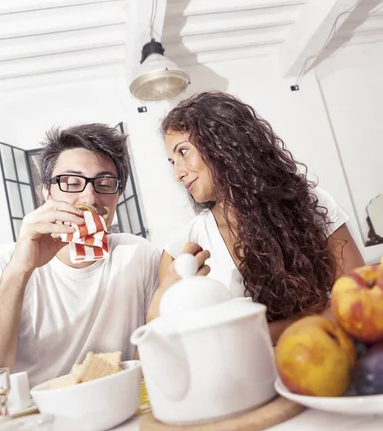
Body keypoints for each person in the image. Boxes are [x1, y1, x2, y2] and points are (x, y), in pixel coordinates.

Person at [148, 91, 364, 343]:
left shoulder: (311, 204)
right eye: (171, 161)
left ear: (223, 142)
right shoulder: (182, 249)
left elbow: (356, 299)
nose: (177, 173)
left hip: (326, 360)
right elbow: (168, 340)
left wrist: (262, 333)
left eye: (183, 152)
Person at [0, 124, 160, 386]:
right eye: (72, 183)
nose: (89, 197)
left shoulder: (139, 256)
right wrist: (20, 269)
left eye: (104, 183)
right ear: (46, 193)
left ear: (117, 195)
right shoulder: (0, 264)